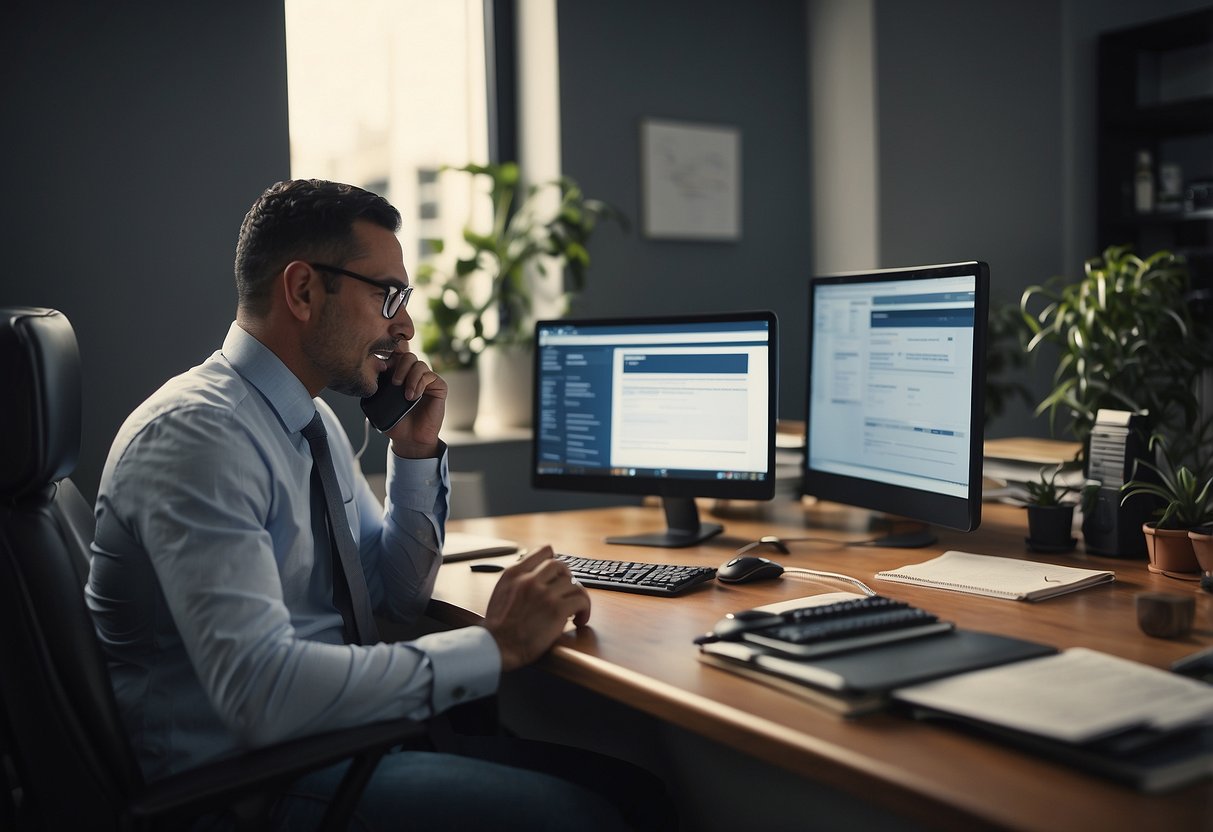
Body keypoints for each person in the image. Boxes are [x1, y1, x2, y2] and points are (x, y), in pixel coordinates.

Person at [86, 179, 669, 830]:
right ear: (303, 290)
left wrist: (414, 453)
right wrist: (495, 648)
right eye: (386, 294)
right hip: (248, 789)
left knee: (641, 794)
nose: (406, 326)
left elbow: (393, 598)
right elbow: (261, 694)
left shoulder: (306, 422)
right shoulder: (198, 438)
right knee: (586, 817)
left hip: (336, 744)